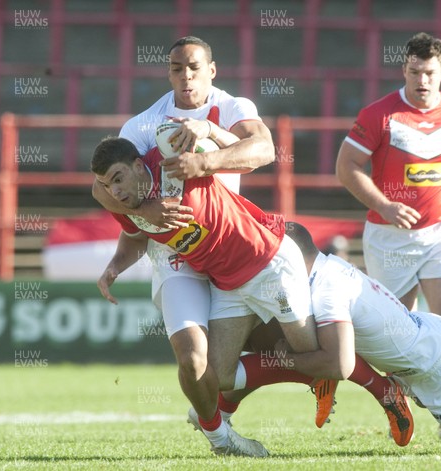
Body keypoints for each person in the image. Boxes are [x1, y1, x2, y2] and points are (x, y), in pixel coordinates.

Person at [91, 36, 277, 456]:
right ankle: (220, 438)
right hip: (178, 255)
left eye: (194, 67)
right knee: (194, 362)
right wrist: (150, 213)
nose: (186, 76)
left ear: (212, 69)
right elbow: (103, 187)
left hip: (233, 246)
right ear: (168, 72)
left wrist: (206, 153)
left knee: (292, 347)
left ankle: (332, 376)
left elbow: (264, 150)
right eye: (177, 68)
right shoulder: (142, 126)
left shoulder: (232, 108)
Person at [91, 137, 326, 457]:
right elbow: (130, 232)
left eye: (117, 179)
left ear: (136, 165)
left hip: (260, 258)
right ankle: (219, 430)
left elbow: (258, 152)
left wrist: (206, 143)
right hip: (209, 276)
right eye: (108, 184)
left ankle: (373, 376)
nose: (114, 191)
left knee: (315, 357)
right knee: (207, 369)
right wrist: (113, 267)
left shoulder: (177, 153)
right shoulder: (129, 187)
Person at [276, 222, 441, 453]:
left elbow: (337, 363)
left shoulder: (326, 289)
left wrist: (284, 360)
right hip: (423, 351)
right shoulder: (327, 270)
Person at [336, 32, 441, 327]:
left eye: (430, 73)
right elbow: (346, 167)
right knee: (398, 329)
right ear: (404, 70)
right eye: (415, 72)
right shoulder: (378, 115)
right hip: (389, 238)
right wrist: (384, 206)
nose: (423, 81)